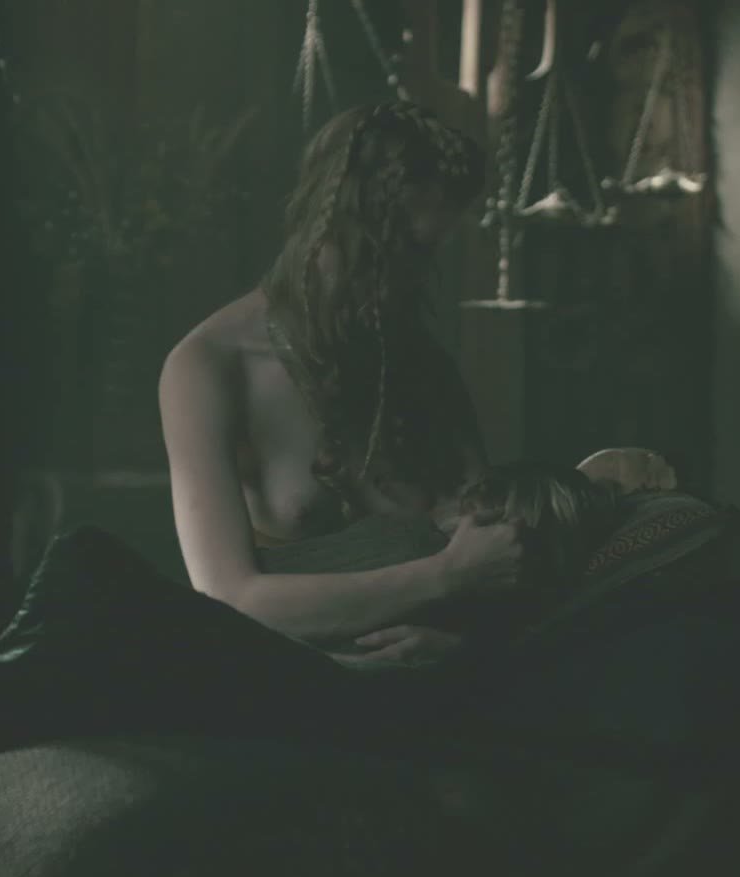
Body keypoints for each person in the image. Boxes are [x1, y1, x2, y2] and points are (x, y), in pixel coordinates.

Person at [158, 101, 527, 666]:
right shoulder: (208, 368)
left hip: (435, 686)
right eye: (403, 246)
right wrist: (444, 577)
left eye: (430, 252)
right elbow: (230, 599)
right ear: (335, 221)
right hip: (282, 683)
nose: (414, 275)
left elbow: (497, 557)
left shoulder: (423, 365)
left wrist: (464, 646)